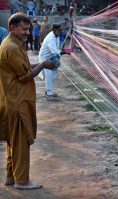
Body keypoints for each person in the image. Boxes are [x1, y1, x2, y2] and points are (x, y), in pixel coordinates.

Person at [0, 13, 56, 189]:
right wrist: (42, 65)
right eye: (24, 29)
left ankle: (11, 177)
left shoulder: (14, 44)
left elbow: (21, 69)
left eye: (28, 29)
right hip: (17, 102)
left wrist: (38, 64)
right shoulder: (11, 47)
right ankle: (22, 181)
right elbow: (24, 76)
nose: (27, 32)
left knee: (13, 141)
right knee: (21, 142)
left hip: (12, 99)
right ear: (13, 28)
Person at [39, 23, 69, 100]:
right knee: (49, 76)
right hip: (45, 59)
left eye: (61, 30)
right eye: (59, 30)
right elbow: (54, 51)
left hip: (52, 58)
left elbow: (57, 49)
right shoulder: (51, 38)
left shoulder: (56, 35)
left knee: (53, 75)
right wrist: (65, 52)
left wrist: (63, 50)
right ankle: (49, 94)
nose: (61, 32)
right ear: (54, 30)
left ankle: (50, 91)